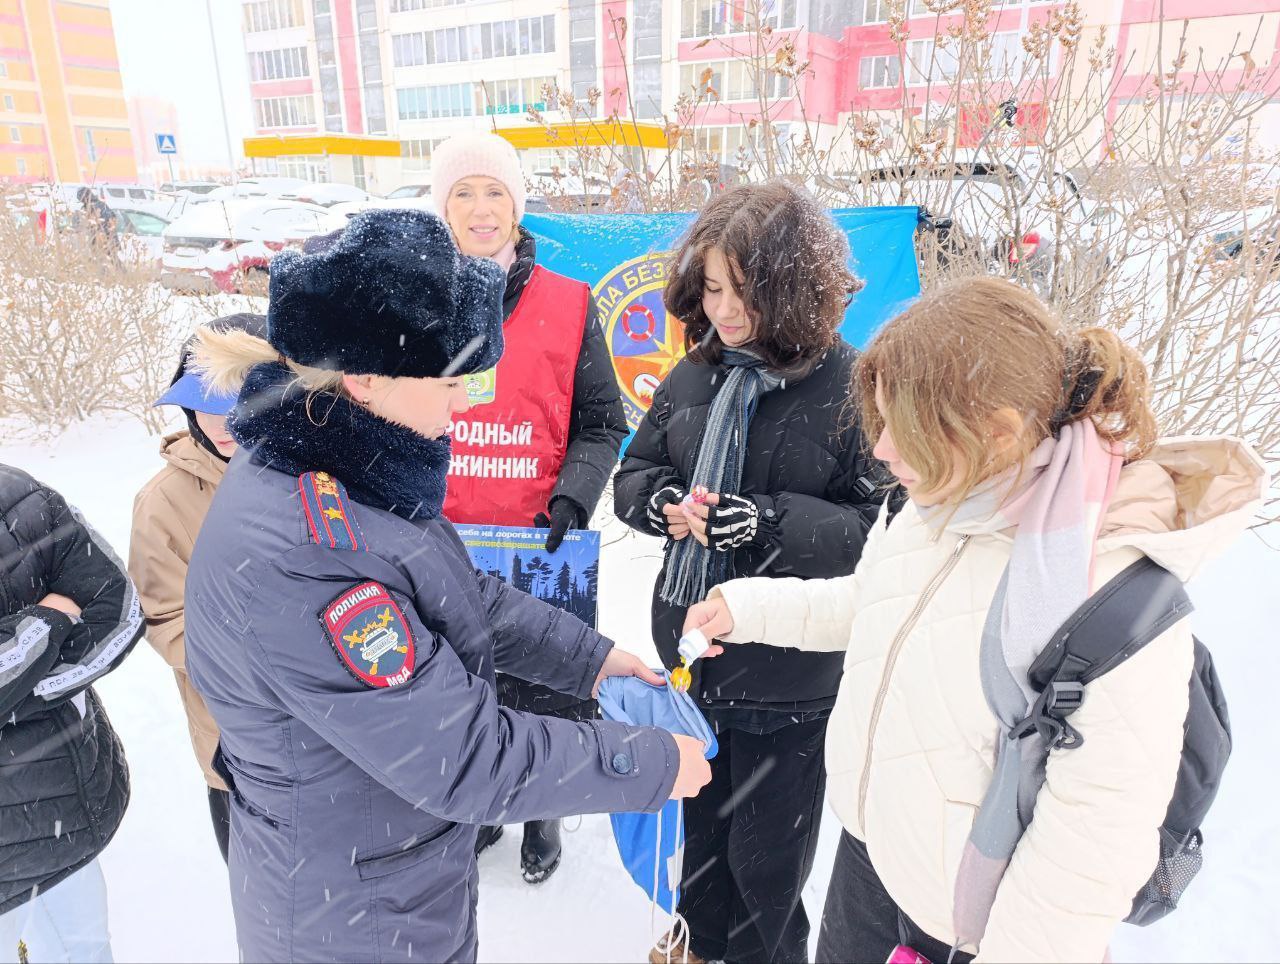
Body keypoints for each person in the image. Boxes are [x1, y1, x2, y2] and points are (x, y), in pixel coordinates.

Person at [683, 277, 1268, 963]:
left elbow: (1088, 852)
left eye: (906, 425)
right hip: (874, 864)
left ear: (996, 433)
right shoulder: (932, 505)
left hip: (975, 926)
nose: (881, 450)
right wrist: (746, 608)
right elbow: (869, 606)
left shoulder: (1113, 592)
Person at [182, 208, 711, 964]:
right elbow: (463, 758)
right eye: (453, 379)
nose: (466, 402)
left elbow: (459, 594)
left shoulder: (347, 462)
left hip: (386, 872)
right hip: (353, 918)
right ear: (366, 376)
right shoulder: (310, 552)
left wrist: (591, 660)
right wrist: (648, 763)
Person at [613, 181, 891, 964]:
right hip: (694, 664)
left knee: (766, 864)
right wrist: (662, 502)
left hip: (790, 680)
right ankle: (696, 945)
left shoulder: (851, 386)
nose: (725, 312)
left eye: (745, 292)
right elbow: (631, 477)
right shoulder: (694, 375)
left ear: (795, 290)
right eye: (710, 287)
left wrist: (767, 521)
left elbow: (880, 531)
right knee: (699, 838)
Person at [432, 130, 630, 881]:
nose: (481, 209)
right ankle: (479, 809)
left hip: (536, 549)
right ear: (440, 206)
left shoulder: (570, 304)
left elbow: (601, 421)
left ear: (516, 205)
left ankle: (541, 815)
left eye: (494, 192)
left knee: (540, 691)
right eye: (463, 192)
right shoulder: (417, 302)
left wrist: (574, 496)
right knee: (457, 691)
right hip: (440, 544)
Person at [129, 312, 266, 863]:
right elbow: (165, 622)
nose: (220, 420)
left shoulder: (321, 476)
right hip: (234, 744)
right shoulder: (162, 503)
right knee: (262, 907)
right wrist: (264, 667)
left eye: (236, 398)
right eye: (203, 401)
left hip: (334, 739)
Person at [0, 465, 145, 963]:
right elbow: (73, 612)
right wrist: (48, 622)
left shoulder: (20, 497)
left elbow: (118, 610)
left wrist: (18, 692)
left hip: (70, 814)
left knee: (87, 951)